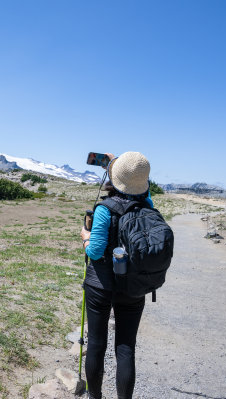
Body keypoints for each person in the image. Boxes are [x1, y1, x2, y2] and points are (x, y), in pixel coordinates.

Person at [79, 151, 153, 399]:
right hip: (134, 286)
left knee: (96, 345)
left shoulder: (104, 209)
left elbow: (96, 250)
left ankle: (95, 396)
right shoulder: (148, 207)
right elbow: (141, 194)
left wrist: (85, 238)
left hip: (101, 284)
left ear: (114, 176)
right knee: (126, 349)